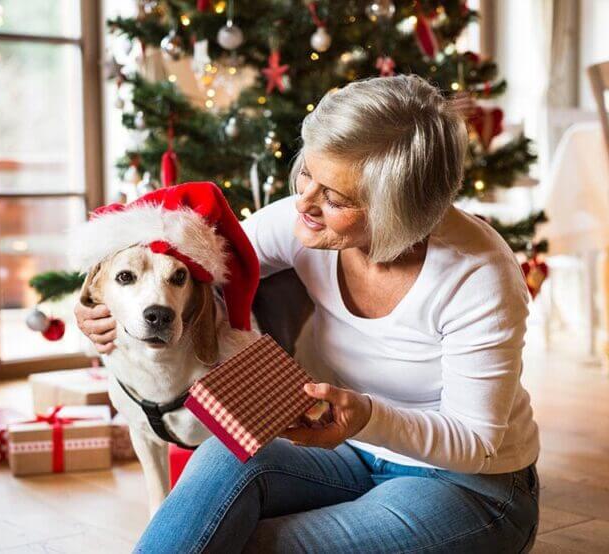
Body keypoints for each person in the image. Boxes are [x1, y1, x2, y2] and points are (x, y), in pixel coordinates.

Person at [76, 75, 540, 553]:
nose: (305, 203)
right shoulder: (301, 224)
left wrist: (369, 418)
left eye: (335, 198)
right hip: (344, 453)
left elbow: (476, 441)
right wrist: (91, 300)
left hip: (465, 482)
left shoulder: (479, 276)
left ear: (396, 210)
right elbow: (182, 259)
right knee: (218, 462)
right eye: (306, 175)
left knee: (250, 545)